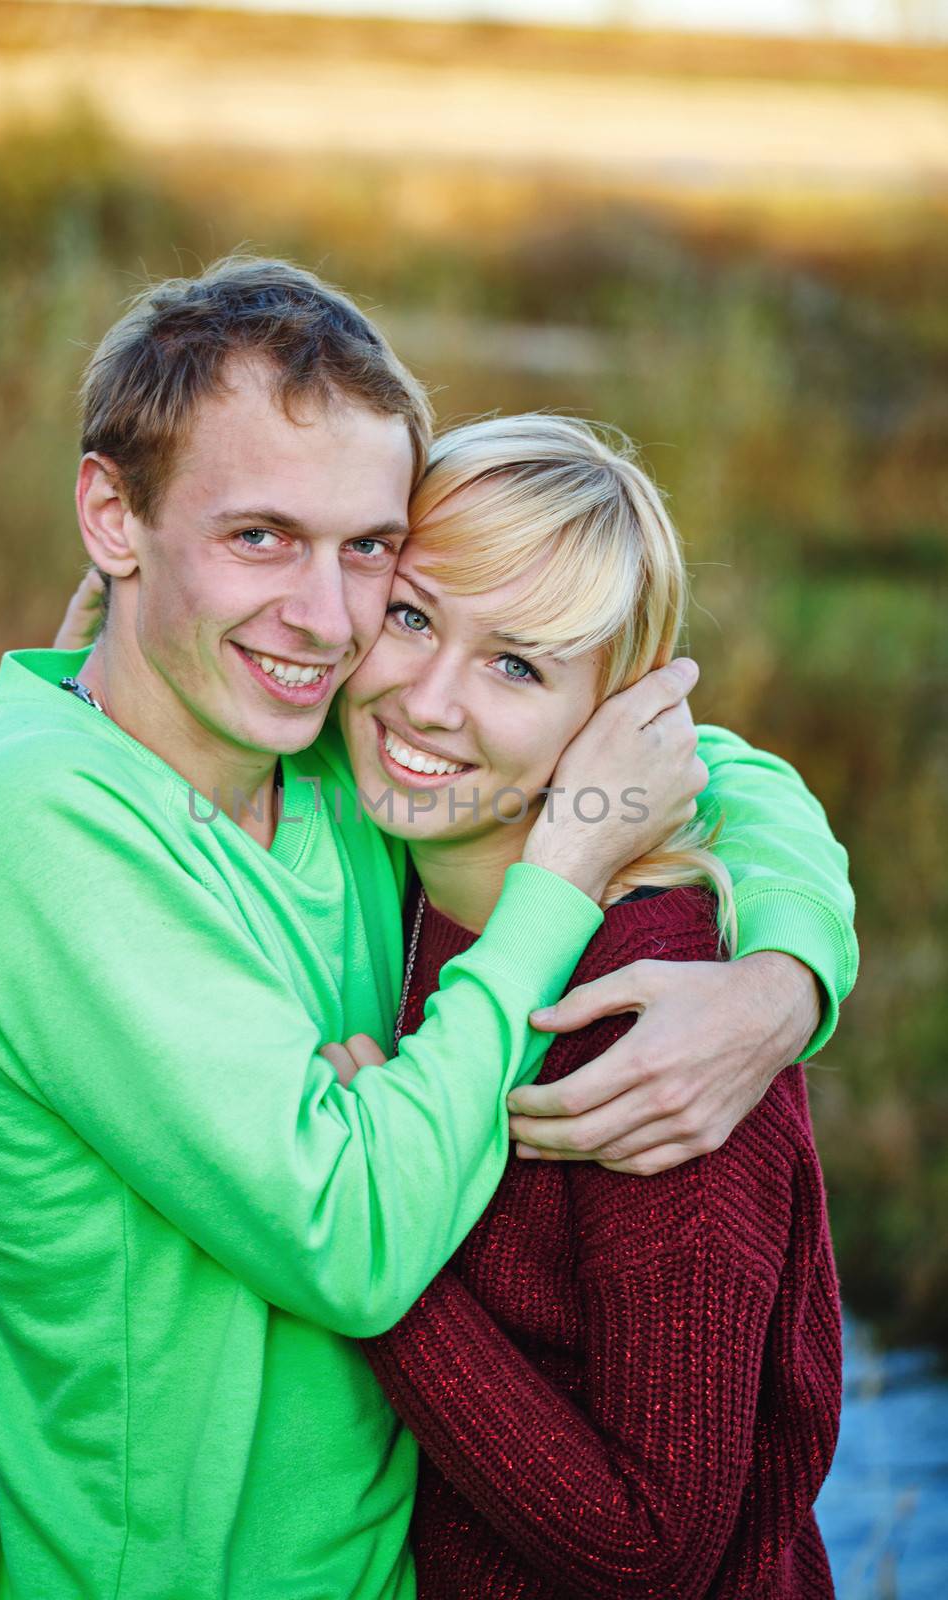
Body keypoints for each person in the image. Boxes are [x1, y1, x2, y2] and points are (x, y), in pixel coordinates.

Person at [0, 254, 855, 1600]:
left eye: (366, 552)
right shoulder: (46, 832)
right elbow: (354, 1245)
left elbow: (704, 761)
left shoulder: (332, 760)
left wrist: (778, 979)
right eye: (258, 537)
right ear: (111, 518)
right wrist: (566, 870)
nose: (325, 619)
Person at [322, 414, 840, 1596]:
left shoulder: (653, 1023)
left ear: (613, 721)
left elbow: (650, 1546)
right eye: (409, 615)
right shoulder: (381, 860)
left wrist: (362, 1243)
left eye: (516, 664)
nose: (428, 701)